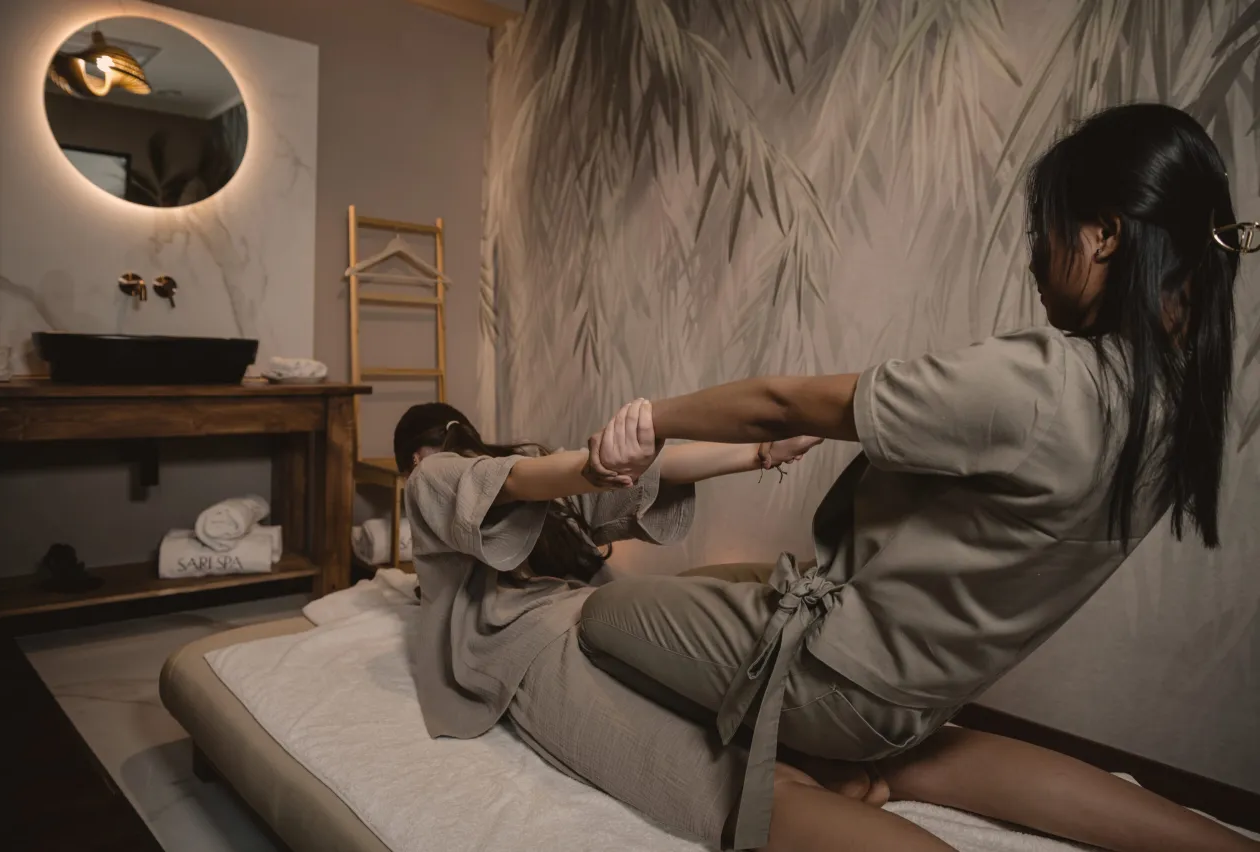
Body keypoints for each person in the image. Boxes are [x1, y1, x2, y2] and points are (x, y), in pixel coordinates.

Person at [579, 102, 1257, 851]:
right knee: (719, 580)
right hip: (924, 695)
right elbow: (963, 460)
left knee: (599, 620)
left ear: (1104, 235)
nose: (1036, 258)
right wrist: (817, 431)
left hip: (844, 684)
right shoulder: (1173, 408)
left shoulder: (1046, 383)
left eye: (1046, 231)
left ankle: (806, 771)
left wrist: (648, 420)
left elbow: (779, 402)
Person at [393, 400, 832, 846]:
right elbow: (643, 473)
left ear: (411, 461)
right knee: (751, 737)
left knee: (737, 786)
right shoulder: (529, 462)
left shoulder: (428, 475)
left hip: (540, 641)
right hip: (600, 614)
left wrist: (598, 467)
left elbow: (540, 480)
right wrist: (760, 451)